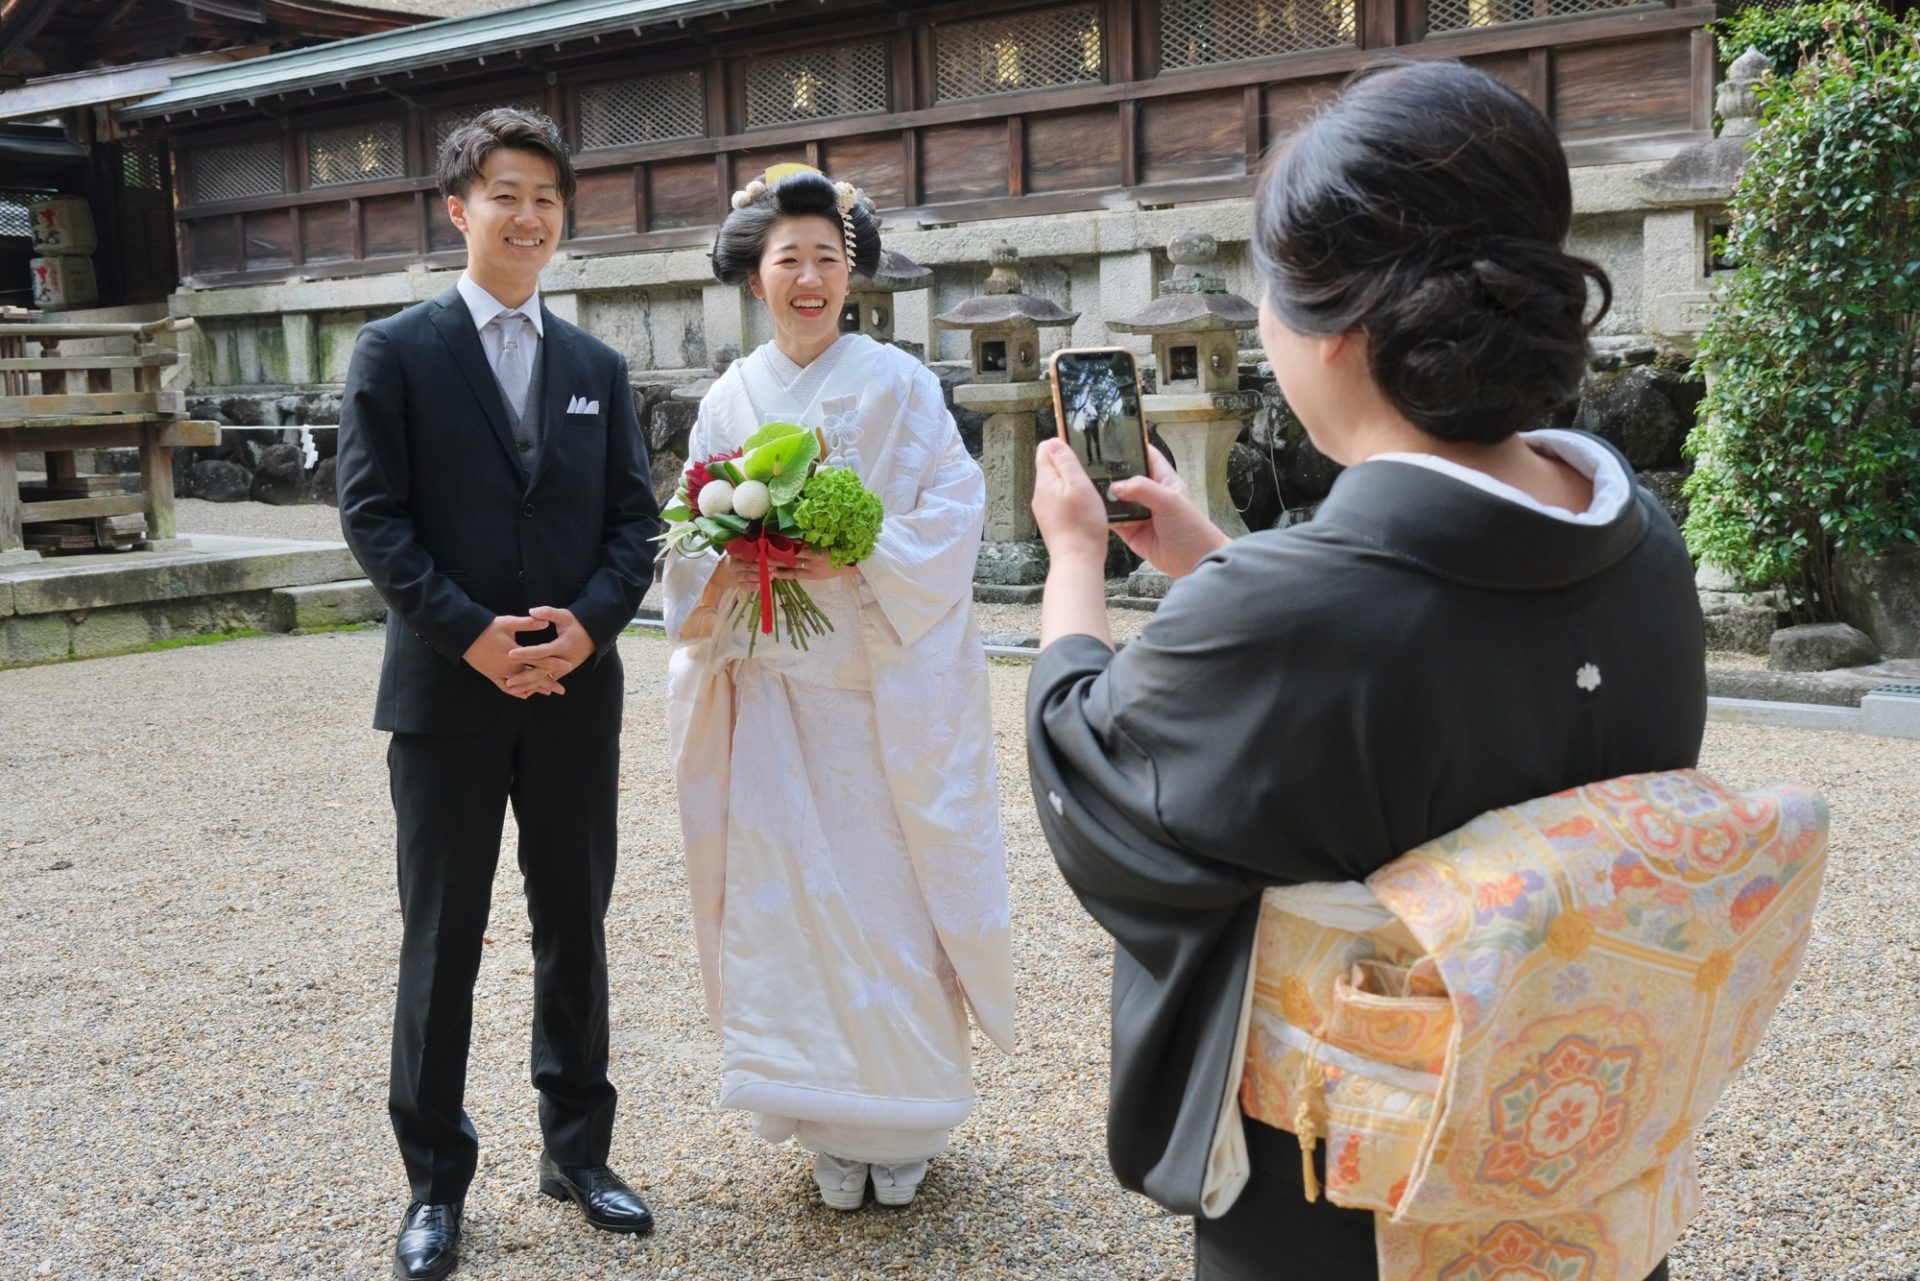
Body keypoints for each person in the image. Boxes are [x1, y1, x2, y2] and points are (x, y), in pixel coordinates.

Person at [1024, 59, 1705, 1281]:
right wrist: (1217, 565)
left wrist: (1075, 560)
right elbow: (1401, 643)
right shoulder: (1639, 541)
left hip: (1354, 1194)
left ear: (1335, 329)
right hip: (1581, 1157)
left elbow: (1095, 773)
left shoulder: (1292, 606)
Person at [336, 108, 662, 1281]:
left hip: (576, 692)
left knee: (575, 923)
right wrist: (473, 635)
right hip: (447, 694)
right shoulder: (397, 353)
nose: (529, 217)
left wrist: (591, 624)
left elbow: (637, 522)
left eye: (547, 199)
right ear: (458, 207)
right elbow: (373, 516)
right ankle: (434, 1182)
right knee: (444, 939)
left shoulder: (596, 368)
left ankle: (578, 1151)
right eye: (506, 194)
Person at [663, 165, 1015, 1213]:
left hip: (873, 701)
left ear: (851, 272)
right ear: (755, 275)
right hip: (773, 698)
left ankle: (899, 1115)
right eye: (789, 259)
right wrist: (731, 558)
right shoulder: (731, 395)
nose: (808, 277)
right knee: (789, 913)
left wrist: (855, 553)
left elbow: (954, 516)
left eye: (827, 257)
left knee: (886, 904)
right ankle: (824, 1113)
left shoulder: (899, 383)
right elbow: (686, 538)